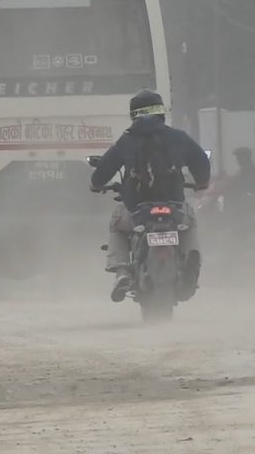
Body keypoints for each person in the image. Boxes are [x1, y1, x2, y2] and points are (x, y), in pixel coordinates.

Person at [90, 90, 211, 302]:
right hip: (174, 206)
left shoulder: (127, 140)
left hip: (136, 209)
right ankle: (192, 258)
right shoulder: (177, 137)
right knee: (189, 223)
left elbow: (105, 168)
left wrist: (96, 184)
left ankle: (122, 272)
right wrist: (202, 183)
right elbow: (201, 160)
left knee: (116, 226)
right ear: (161, 111)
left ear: (133, 114)